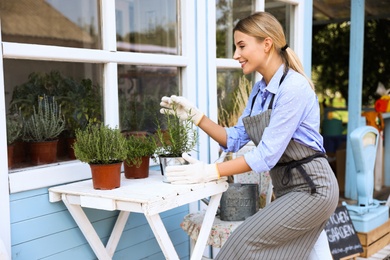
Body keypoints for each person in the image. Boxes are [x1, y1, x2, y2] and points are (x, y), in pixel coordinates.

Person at [160, 12, 339, 260]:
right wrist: (196, 117)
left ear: (267, 44)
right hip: (289, 190)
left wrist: (210, 171)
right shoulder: (259, 91)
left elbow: (265, 156)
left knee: (243, 242)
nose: (235, 55)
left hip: (313, 190)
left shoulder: (293, 88)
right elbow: (232, 138)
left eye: (241, 46)